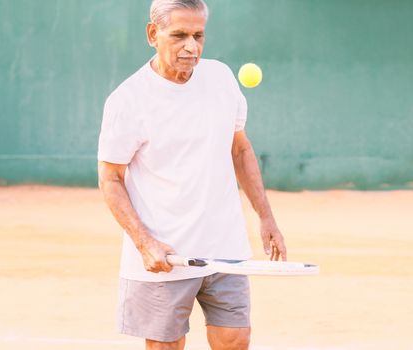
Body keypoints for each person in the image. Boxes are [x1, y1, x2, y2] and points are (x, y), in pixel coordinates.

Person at [97, 1, 286, 349]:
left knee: (235, 340)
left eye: (198, 35)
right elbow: (110, 178)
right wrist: (144, 242)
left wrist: (266, 217)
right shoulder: (128, 100)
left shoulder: (221, 78)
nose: (192, 47)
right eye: (179, 35)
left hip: (224, 248)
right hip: (165, 258)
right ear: (153, 34)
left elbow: (240, 149)